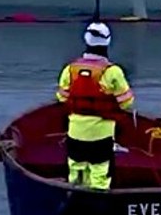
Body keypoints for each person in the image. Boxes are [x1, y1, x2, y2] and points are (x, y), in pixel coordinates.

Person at [54, 22, 136, 191]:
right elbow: (127, 102)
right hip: (101, 136)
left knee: (76, 171)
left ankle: (75, 201)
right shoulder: (113, 72)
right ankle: (97, 205)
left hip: (76, 132)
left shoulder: (70, 69)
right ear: (108, 42)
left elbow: (62, 97)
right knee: (100, 174)